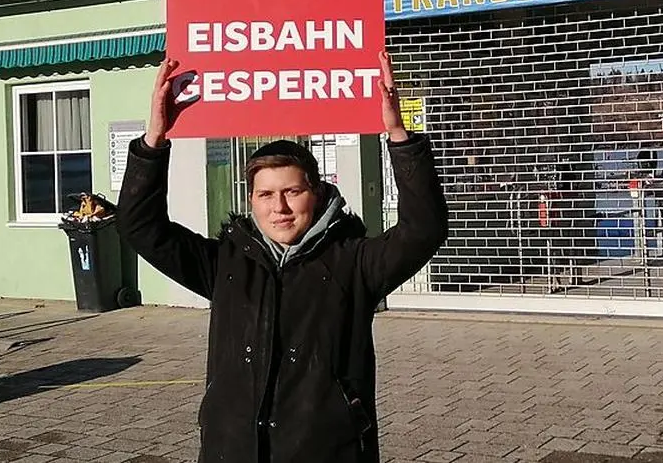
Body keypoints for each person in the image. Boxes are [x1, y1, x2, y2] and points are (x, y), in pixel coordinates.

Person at [117, 50, 448, 463]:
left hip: (327, 450)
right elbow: (140, 227)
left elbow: (424, 230)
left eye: (292, 192)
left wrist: (399, 134)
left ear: (317, 192)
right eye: (266, 195)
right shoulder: (225, 264)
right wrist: (154, 138)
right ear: (251, 200)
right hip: (233, 450)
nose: (280, 208)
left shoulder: (354, 262)